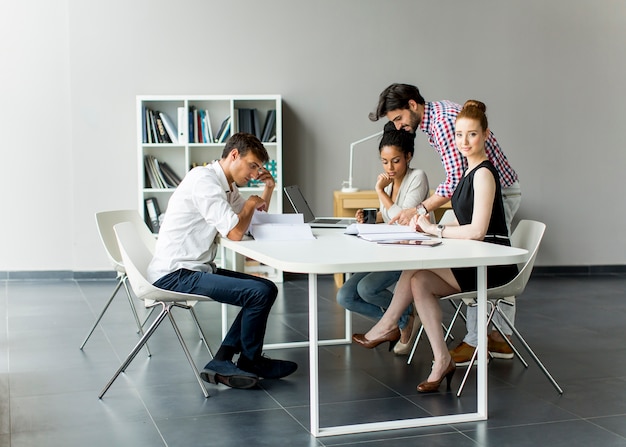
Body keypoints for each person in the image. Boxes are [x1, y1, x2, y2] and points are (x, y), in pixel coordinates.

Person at [353, 100, 519, 392]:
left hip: (492, 265)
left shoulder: (483, 173)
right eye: (458, 135)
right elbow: (467, 220)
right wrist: (431, 229)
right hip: (476, 258)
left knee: (417, 267)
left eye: (472, 134)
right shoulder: (467, 174)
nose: (463, 142)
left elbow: (479, 231)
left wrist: (435, 229)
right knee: (419, 281)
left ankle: (389, 324)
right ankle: (441, 359)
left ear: (486, 136)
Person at [147, 132, 297, 390]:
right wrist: (249, 205)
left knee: (267, 288)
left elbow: (251, 225)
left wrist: (267, 189)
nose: (253, 173)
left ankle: (224, 360)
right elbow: (236, 233)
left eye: (258, 169)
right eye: (252, 166)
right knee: (258, 293)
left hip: (195, 269)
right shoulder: (204, 181)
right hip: (175, 274)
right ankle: (250, 362)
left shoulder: (226, 187)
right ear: (234, 155)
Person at [338, 122, 429, 355]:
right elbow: (388, 215)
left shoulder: (417, 177)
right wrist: (370, 216)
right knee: (345, 295)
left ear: (408, 156)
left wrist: (379, 191)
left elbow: (402, 218)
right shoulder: (389, 183)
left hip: (411, 251)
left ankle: (400, 319)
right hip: (388, 248)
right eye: (385, 161)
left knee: (368, 289)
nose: (389, 167)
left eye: (395, 161)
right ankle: (402, 320)